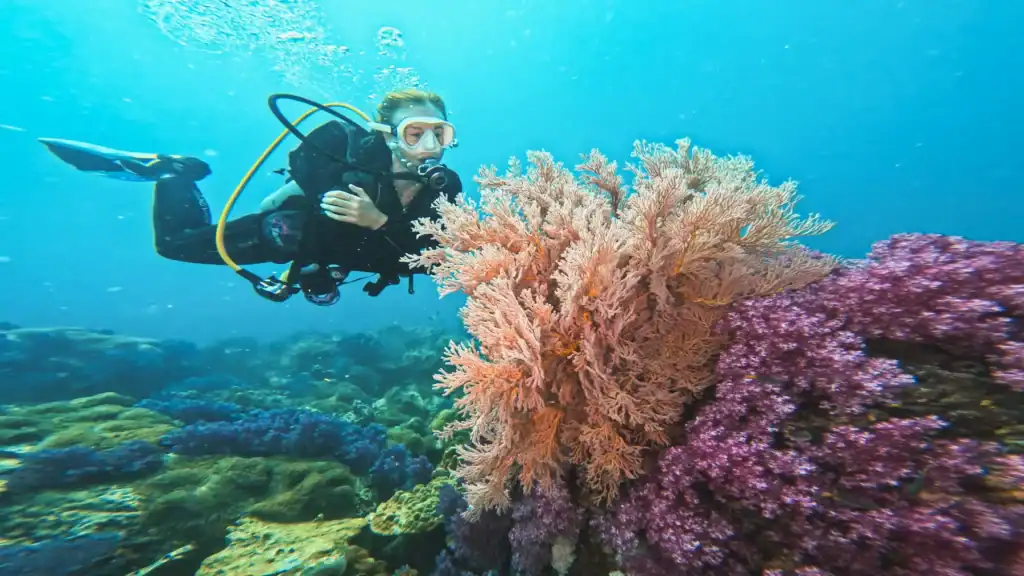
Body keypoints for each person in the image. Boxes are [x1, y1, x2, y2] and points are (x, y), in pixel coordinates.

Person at [38, 89, 462, 305]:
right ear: (387, 133)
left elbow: (433, 261)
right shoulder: (345, 147)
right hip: (291, 235)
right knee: (174, 245)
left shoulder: (447, 185)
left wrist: (379, 222)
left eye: (439, 133)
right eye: (414, 132)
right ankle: (173, 174)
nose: (430, 145)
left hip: (353, 256)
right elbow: (312, 179)